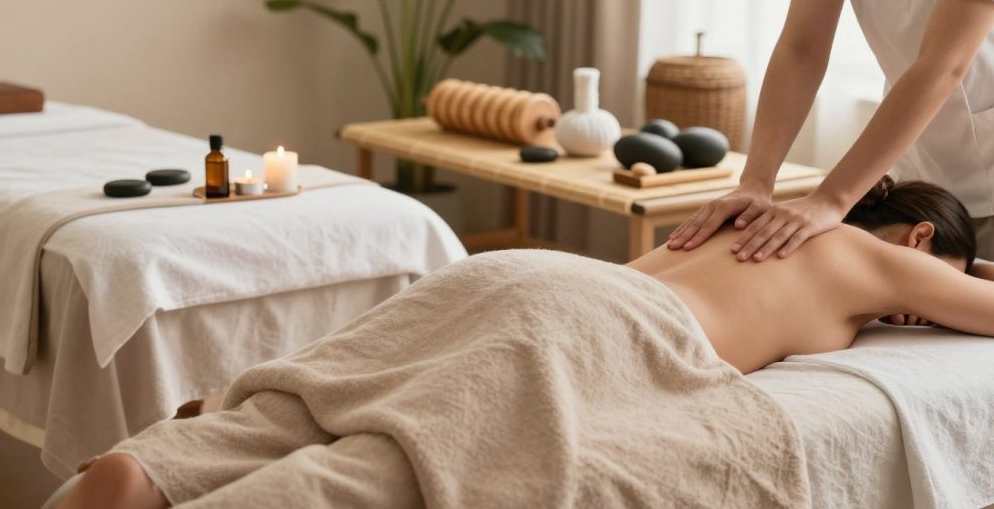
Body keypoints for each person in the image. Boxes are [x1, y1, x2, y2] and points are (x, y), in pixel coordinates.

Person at [58, 179, 992, 509]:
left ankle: (141, 477)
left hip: (524, 274)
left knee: (302, 404)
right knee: (398, 459)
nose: (912, 317)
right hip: (601, 325)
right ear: (919, 239)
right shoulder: (877, 256)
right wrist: (968, 279)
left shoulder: (750, 216)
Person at [668, 0, 994, 264]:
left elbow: (942, 65)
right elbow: (801, 49)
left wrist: (832, 199)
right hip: (924, 163)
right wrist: (756, 181)